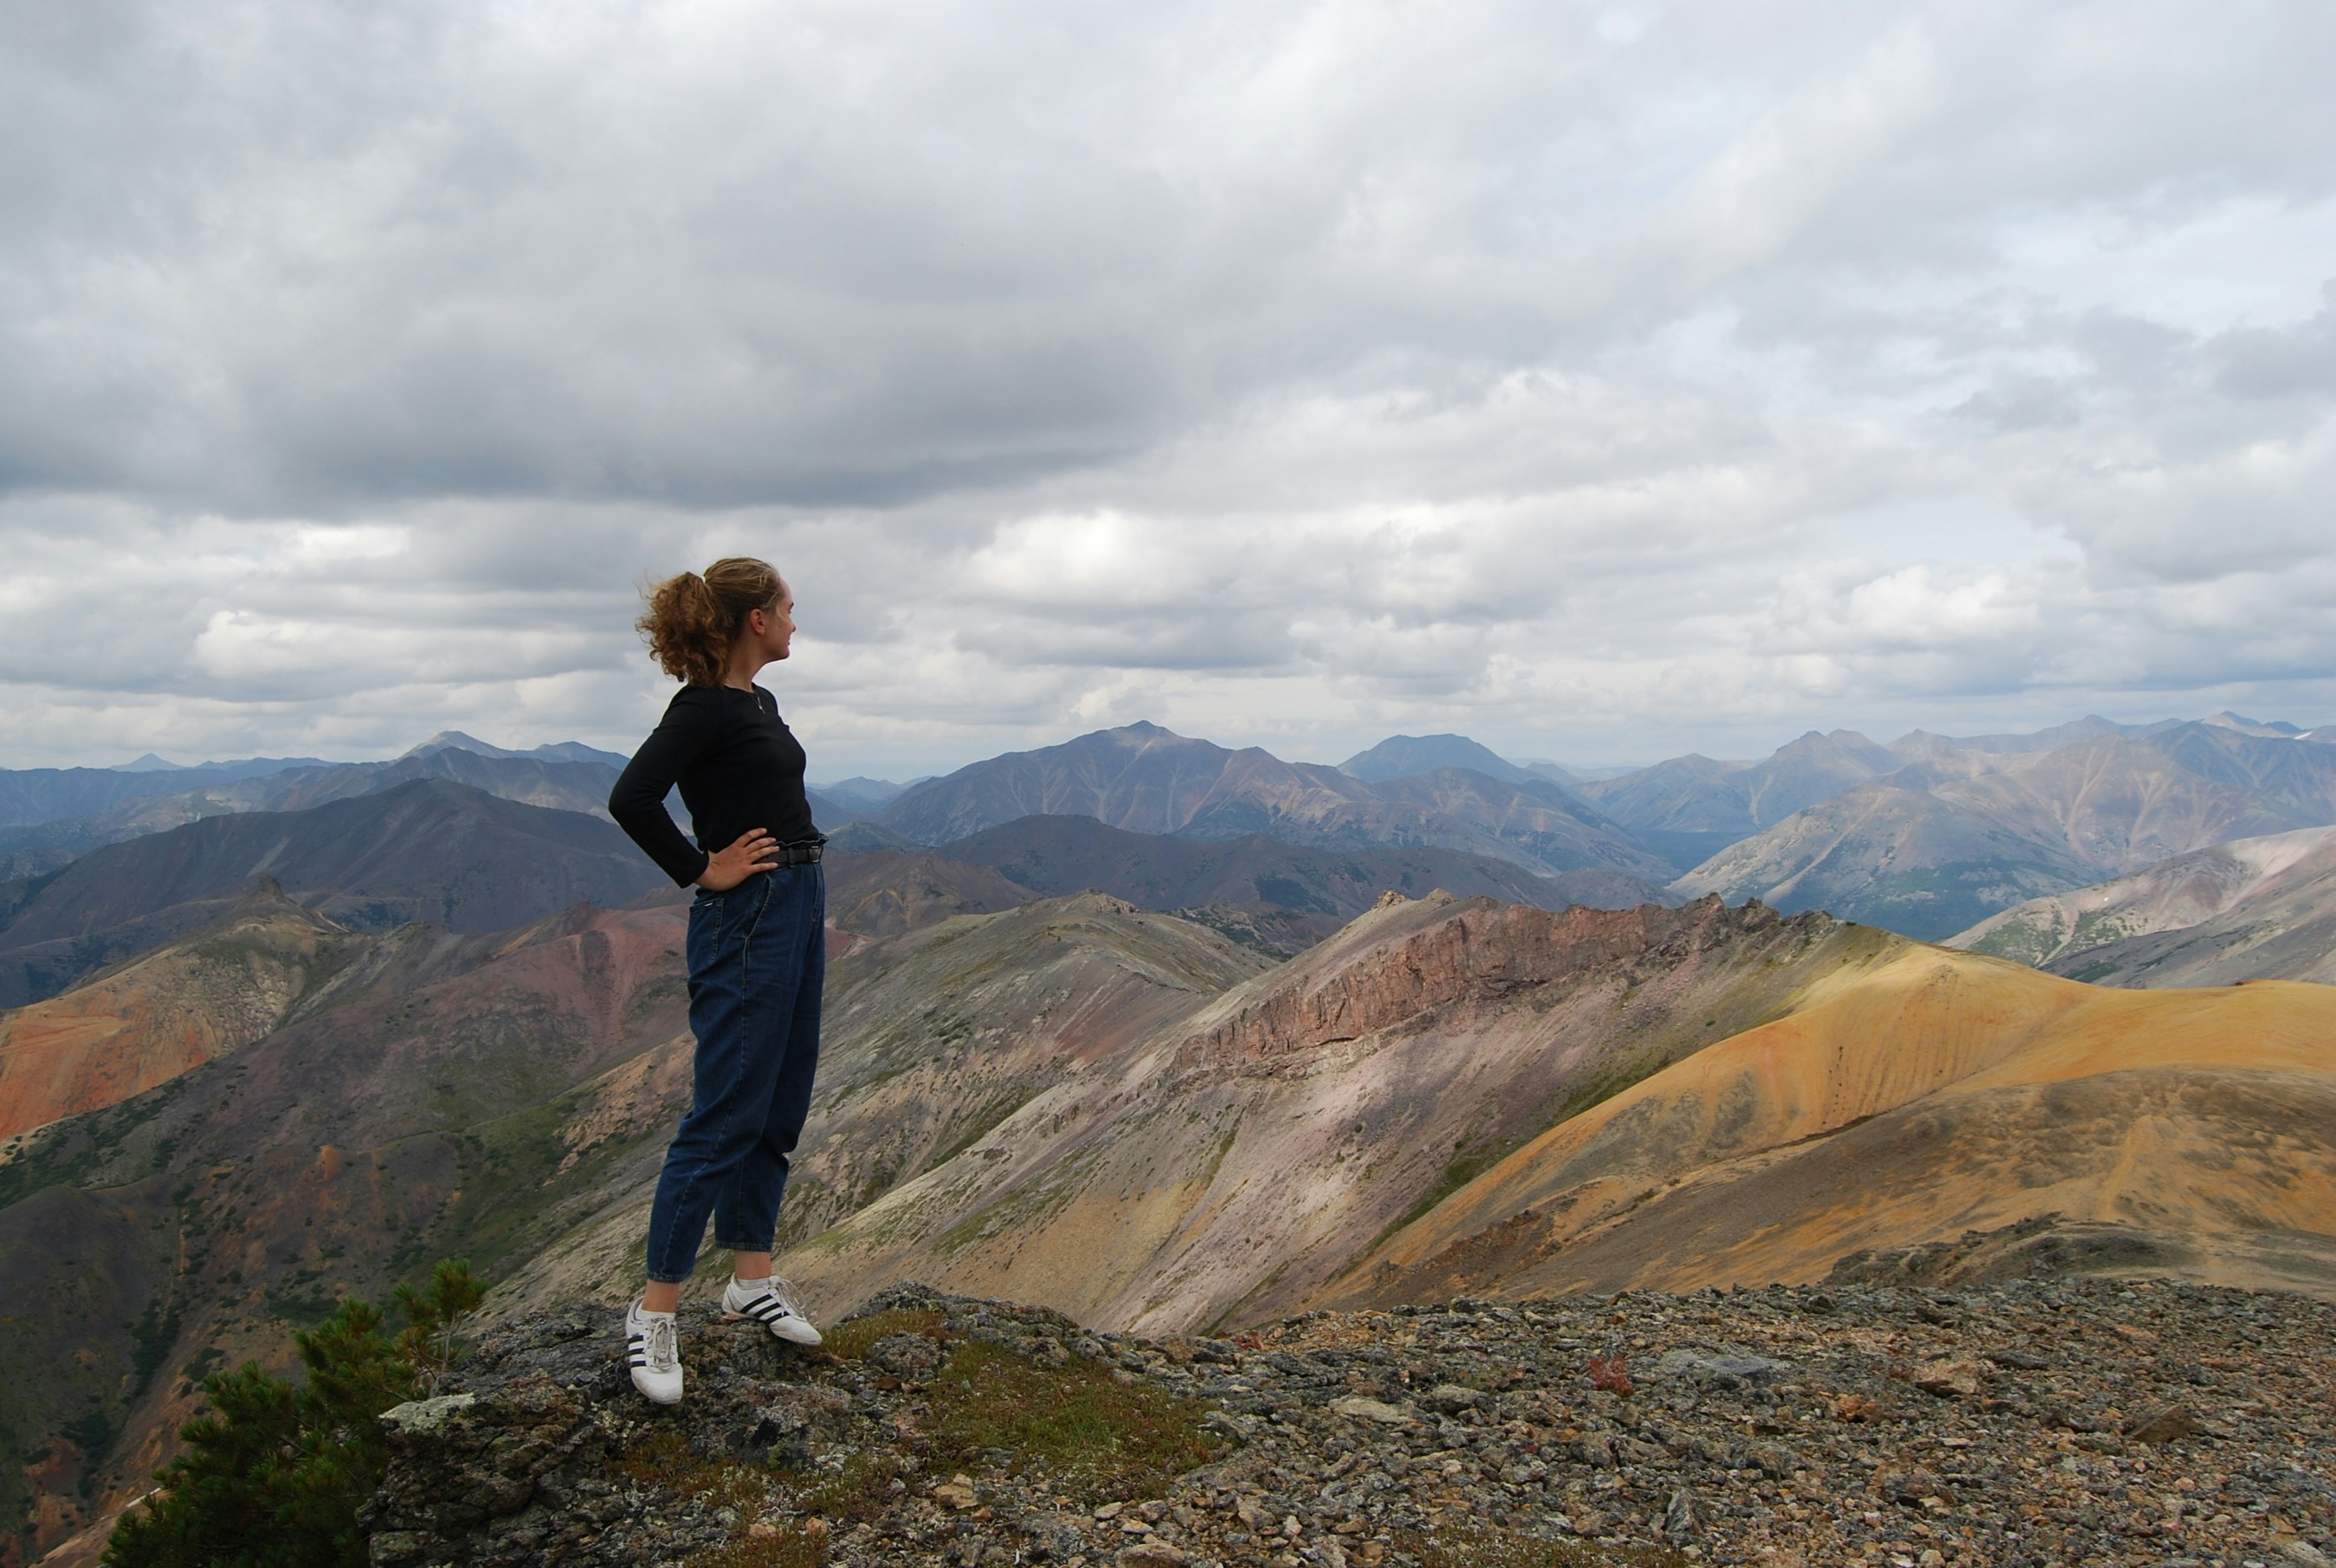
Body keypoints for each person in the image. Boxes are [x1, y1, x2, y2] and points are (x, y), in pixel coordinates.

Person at [607, 556, 827, 1405]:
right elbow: (633, 798)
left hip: (799, 897)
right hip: (750, 913)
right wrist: (702, 870)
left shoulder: (755, 702)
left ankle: (749, 1278)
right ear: (754, 622)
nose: (795, 621)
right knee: (726, 1107)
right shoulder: (699, 708)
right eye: (786, 608)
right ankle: (655, 1310)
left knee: (779, 1099)